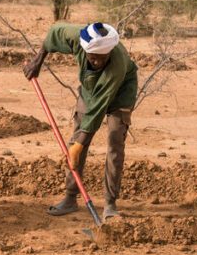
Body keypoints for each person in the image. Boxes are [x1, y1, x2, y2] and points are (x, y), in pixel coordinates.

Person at [23, 21, 138, 220]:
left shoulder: (116, 63)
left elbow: (99, 107)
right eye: (93, 59)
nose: (97, 63)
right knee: (78, 138)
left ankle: (110, 204)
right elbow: (53, 33)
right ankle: (70, 197)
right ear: (85, 50)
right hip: (91, 89)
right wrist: (37, 61)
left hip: (121, 92)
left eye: (102, 59)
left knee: (114, 141)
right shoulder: (78, 38)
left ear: (109, 51)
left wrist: (80, 144)